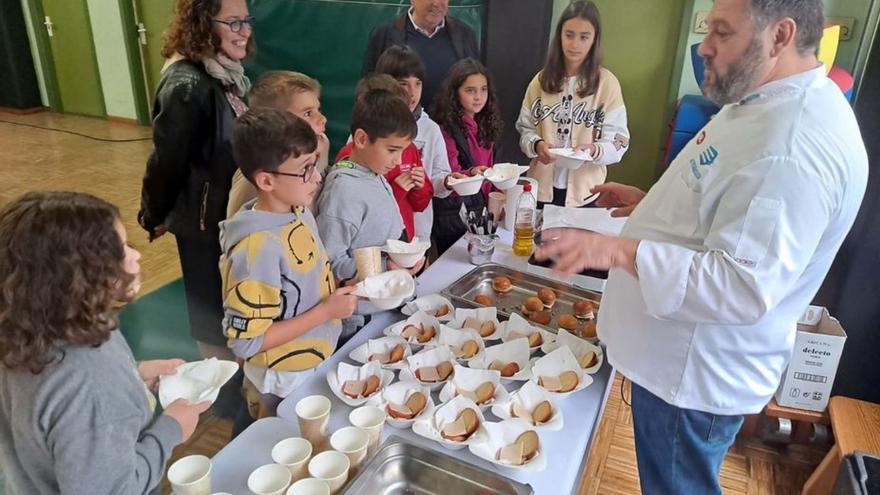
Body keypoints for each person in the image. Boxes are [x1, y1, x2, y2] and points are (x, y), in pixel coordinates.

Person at [535, 1, 868, 493]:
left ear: (780, 36)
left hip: (690, 380)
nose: (704, 47)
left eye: (721, 33)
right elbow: (729, 210)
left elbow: (739, 285)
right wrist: (653, 206)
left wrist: (616, 251)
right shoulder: (761, 99)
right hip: (676, 367)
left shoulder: (792, 146)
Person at [0, 191, 210, 495]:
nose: (136, 255)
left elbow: (58, 411)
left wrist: (133, 374)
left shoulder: (30, 333)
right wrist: (171, 429)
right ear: (79, 277)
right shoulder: (90, 380)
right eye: (121, 249)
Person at [221, 108, 358, 421]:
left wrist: (339, 291)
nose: (318, 176)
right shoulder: (258, 248)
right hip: (280, 382)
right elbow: (248, 343)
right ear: (267, 180)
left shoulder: (298, 211)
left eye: (315, 163)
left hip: (311, 365)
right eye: (305, 169)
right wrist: (326, 312)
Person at [138, 0, 254, 361]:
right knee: (209, 309)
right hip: (204, 220)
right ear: (204, 24)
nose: (245, 31)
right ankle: (218, 391)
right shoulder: (187, 84)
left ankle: (236, 378)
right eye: (233, 23)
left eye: (246, 21)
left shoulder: (224, 74)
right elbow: (167, 162)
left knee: (229, 299)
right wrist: (153, 214)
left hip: (227, 210)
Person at [317, 89, 422, 340]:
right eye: (392, 150)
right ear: (362, 139)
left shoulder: (373, 173)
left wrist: (403, 261)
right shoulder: (343, 190)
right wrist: (388, 267)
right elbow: (330, 262)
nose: (398, 162)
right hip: (361, 320)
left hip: (389, 304)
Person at [516, 1, 630, 209]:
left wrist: (594, 149)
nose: (575, 44)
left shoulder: (607, 84)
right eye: (569, 35)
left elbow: (619, 141)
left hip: (586, 193)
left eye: (584, 37)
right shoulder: (540, 81)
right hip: (541, 190)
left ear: (594, 39)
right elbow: (525, 129)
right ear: (559, 35)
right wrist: (537, 144)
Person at [336, 75, 434, 243]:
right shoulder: (349, 161)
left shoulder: (407, 148)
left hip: (402, 247)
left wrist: (421, 186)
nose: (398, 160)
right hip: (376, 257)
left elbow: (420, 204)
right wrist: (397, 190)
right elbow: (362, 223)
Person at [374, 45, 454, 246]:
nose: (412, 93)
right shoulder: (368, 129)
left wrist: (447, 182)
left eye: (417, 84)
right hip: (379, 236)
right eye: (403, 84)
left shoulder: (430, 129)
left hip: (418, 233)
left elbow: (438, 179)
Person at [227, 71, 331, 217]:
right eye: (308, 113)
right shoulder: (255, 176)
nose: (323, 119)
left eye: (318, 109)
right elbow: (237, 224)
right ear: (275, 121)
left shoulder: (322, 145)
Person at [432, 58, 504, 254]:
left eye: (483, 89)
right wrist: (473, 173)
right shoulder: (445, 128)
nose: (479, 97)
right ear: (455, 93)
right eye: (470, 90)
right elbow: (450, 176)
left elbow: (493, 167)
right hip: (454, 217)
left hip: (483, 210)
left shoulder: (487, 123)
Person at [362, 0, 479, 107]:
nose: (437, 4)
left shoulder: (465, 35)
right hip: (402, 125)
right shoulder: (384, 36)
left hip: (452, 127)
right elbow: (369, 90)